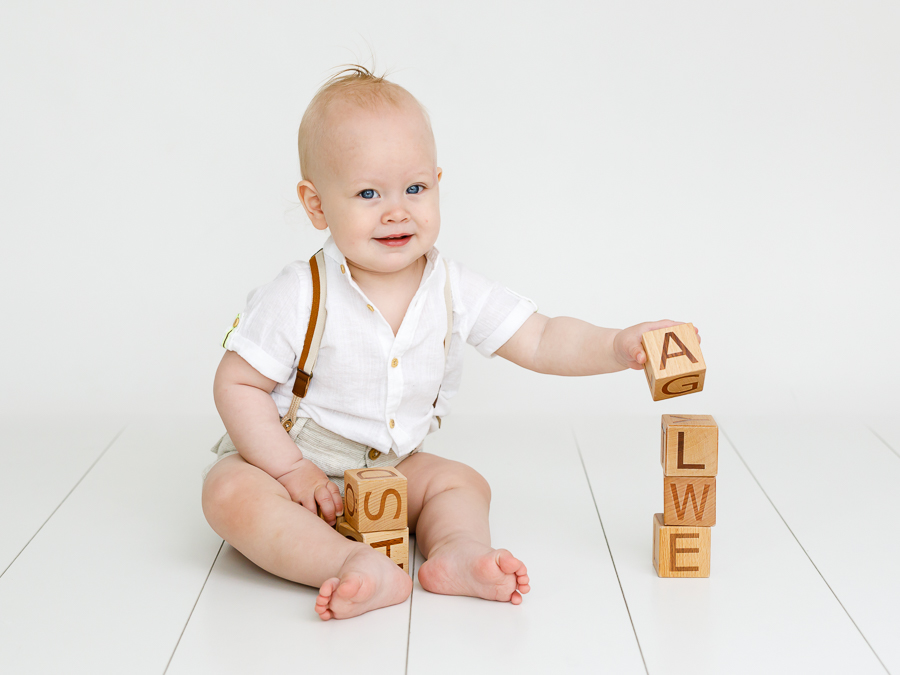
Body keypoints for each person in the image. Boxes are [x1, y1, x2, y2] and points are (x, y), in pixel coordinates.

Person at [201, 64, 697, 621]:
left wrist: (616, 346)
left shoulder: (452, 286)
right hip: (292, 458)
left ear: (437, 181)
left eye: (415, 188)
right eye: (368, 193)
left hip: (389, 466)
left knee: (461, 483)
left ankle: (456, 553)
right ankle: (344, 563)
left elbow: (540, 337)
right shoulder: (300, 291)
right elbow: (236, 382)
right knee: (228, 492)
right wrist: (291, 471)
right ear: (316, 204)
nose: (397, 210)